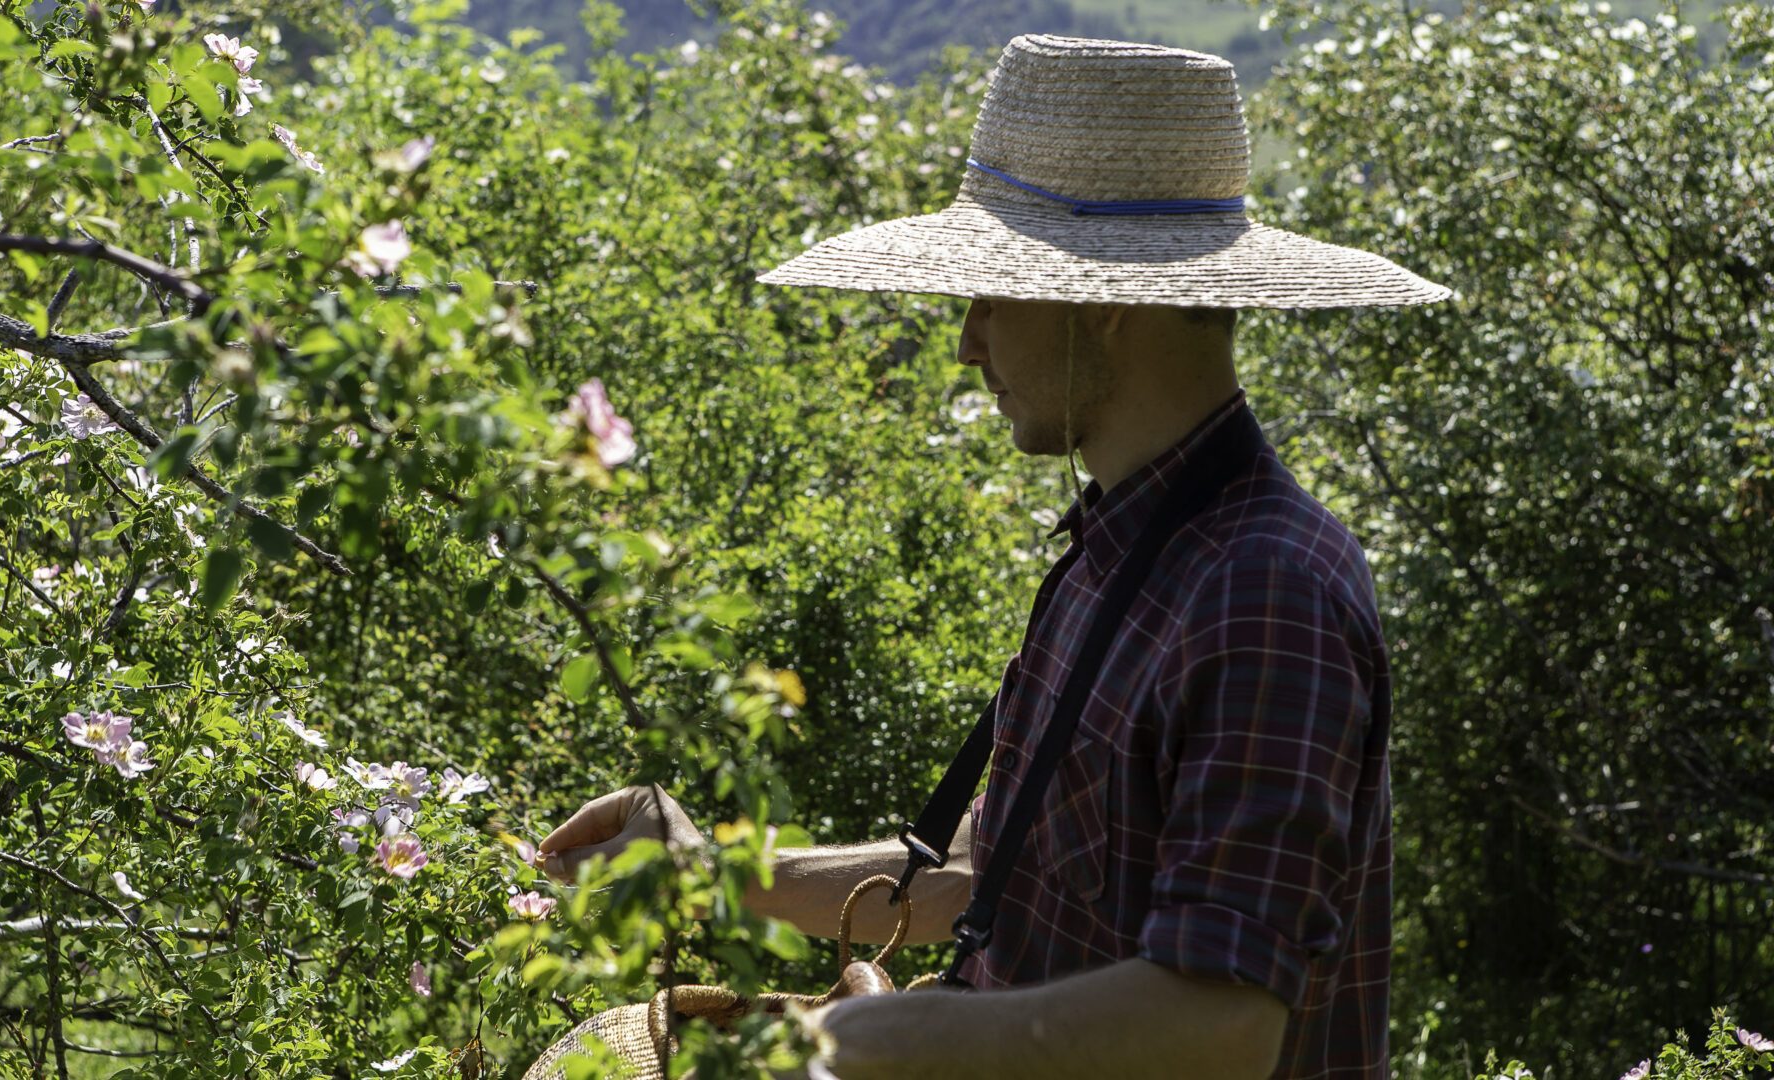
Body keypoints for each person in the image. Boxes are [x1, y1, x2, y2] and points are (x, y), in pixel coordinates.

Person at [538, 34, 1449, 1079]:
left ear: (1103, 299)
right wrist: (719, 870)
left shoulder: (1267, 596)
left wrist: (902, 1036)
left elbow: (1225, 1025)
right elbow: (991, 873)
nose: (968, 342)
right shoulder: (1121, 545)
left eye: (991, 293)